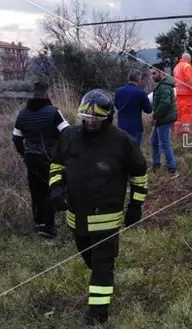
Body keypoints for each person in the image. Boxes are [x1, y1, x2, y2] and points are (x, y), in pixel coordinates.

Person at [48, 88, 148, 327]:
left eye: (97, 119)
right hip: (77, 216)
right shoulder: (70, 137)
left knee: (102, 262)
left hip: (107, 216)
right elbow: (56, 165)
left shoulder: (123, 142)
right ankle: (103, 279)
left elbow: (139, 174)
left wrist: (135, 204)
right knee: (90, 258)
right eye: (87, 119)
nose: (91, 123)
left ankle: (97, 312)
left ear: (108, 117)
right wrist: (56, 188)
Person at [12, 81, 69, 238]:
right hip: (49, 158)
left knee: (35, 191)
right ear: (47, 95)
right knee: (50, 190)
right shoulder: (53, 112)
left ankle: (38, 223)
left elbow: (16, 139)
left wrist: (23, 154)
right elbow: (67, 132)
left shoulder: (22, 114)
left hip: (30, 158)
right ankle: (48, 227)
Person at [150, 63, 178, 173]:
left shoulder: (165, 86)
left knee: (165, 143)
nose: (152, 76)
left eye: (154, 73)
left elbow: (165, 104)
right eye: (151, 74)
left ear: (161, 72)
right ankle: (156, 164)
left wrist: (155, 116)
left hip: (164, 119)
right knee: (153, 141)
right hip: (161, 118)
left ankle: (172, 169)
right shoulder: (161, 85)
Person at [114, 69, 152, 145]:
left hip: (121, 126)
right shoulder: (141, 94)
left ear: (129, 78)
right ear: (139, 79)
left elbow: (117, 106)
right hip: (135, 127)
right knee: (134, 151)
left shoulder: (118, 91)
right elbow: (148, 110)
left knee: (122, 150)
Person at [173, 53, 192, 134]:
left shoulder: (176, 67)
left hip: (179, 93)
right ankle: (185, 131)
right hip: (187, 93)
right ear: (188, 59)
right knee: (186, 112)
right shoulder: (187, 66)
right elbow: (189, 80)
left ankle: (177, 130)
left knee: (180, 112)